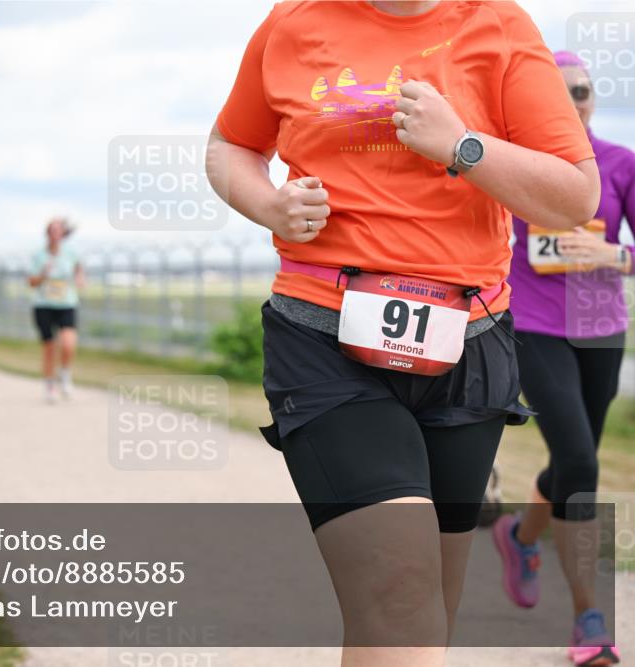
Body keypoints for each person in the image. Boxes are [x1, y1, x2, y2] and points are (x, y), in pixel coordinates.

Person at [206, 2, 600, 665]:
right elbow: (229, 146)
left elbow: (575, 197)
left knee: (425, 610)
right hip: (325, 341)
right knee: (398, 594)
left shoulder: (500, 25)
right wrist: (269, 204)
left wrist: (463, 146)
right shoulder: (295, 21)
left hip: (467, 345)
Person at [493, 50, 631, 667]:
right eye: (561, 91)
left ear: (593, 98)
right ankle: (588, 620)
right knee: (578, 459)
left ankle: (518, 535)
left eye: (583, 91)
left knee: (576, 462)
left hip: (601, 329)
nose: (574, 101)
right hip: (534, 324)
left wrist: (615, 257)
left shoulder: (620, 163)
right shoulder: (514, 160)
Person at [27, 218, 84, 403]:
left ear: (63, 234)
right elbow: (31, 282)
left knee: (68, 344)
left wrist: (80, 278)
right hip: (44, 304)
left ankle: (65, 373)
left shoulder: (71, 253)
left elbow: (79, 269)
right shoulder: (39, 255)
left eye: (58, 231)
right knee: (49, 347)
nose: (54, 234)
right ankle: (49, 385)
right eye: (51, 231)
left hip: (66, 304)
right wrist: (43, 275)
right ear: (47, 233)